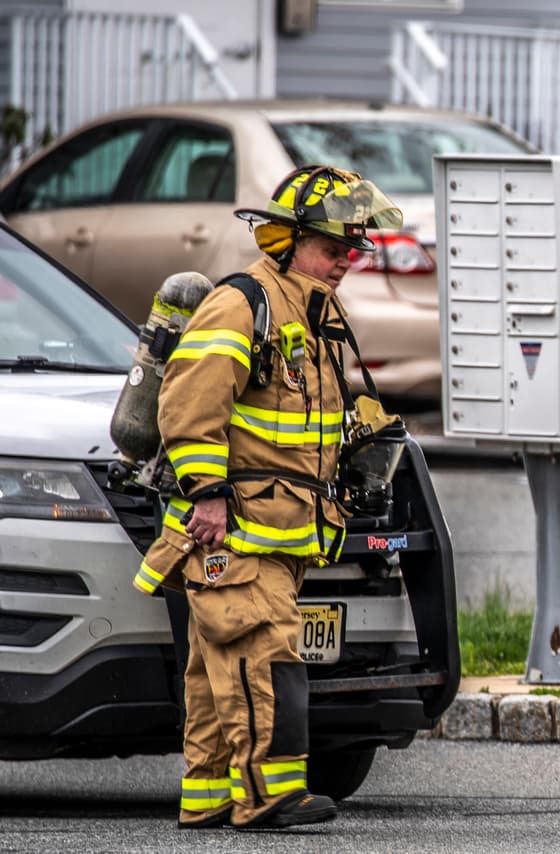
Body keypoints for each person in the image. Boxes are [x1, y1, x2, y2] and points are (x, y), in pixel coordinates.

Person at [133, 164, 403, 829]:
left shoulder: (315, 311)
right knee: (264, 654)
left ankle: (208, 796)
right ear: (285, 240)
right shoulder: (242, 302)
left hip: (282, 530)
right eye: (331, 247)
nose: (344, 261)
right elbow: (190, 406)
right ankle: (271, 794)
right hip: (238, 529)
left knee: (216, 668)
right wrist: (209, 494)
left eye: (351, 249)